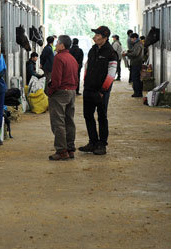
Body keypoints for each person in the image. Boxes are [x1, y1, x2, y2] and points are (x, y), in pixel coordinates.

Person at [79, 26, 117, 156]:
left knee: (102, 117)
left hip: (101, 91)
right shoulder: (93, 50)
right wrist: (85, 82)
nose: (94, 37)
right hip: (89, 89)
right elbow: (87, 66)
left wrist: (103, 90)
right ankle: (93, 142)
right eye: (95, 34)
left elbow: (112, 74)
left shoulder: (111, 53)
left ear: (105, 37)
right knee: (88, 115)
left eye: (97, 35)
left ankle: (102, 144)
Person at [46, 35, 78, 160]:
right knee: (69, 121)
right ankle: (70, 149)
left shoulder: (59, 58)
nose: (56, 45)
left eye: (57, 43)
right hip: (71, 91)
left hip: (60, 93)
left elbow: (56, 79)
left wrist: (51, 90)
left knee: (58, 122)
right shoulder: (71, 58)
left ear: (62, 45)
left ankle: (61, 150)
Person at [123, 33, 144, 97]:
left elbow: (135, 54)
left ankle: (137, 93)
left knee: (135, 79)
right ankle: (138, 92)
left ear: (135, 38)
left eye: (132, 38)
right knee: (136, 78)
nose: (131, 40)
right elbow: (133, 50)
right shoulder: (137, 44)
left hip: (136, 63)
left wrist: (127, 54)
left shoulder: (138, 44)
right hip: (136, 63)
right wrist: (128, 51)